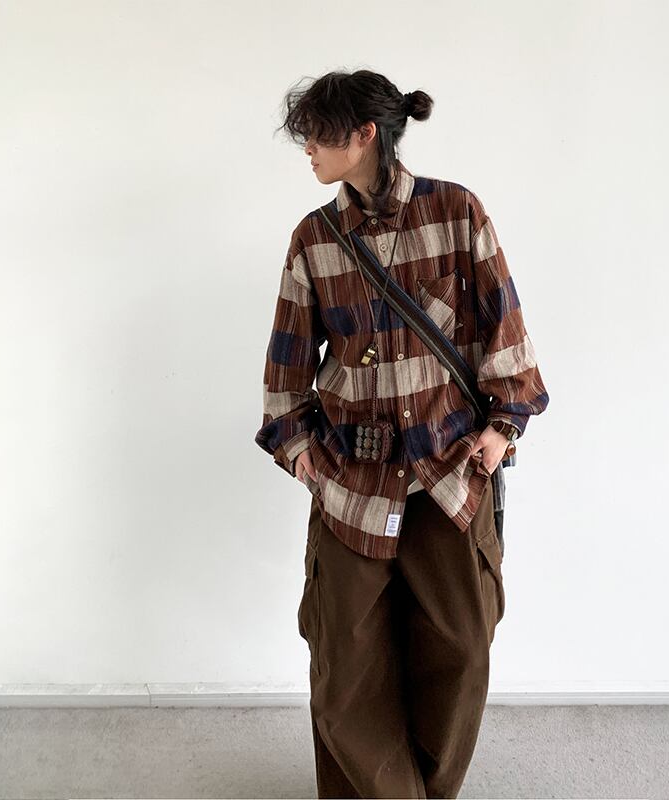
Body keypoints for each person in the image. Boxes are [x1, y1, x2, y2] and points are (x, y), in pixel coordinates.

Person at [255, 69, 549, 799]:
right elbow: (286, 373)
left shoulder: (456, 211)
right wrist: (305, 458)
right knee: (344, 670)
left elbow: (505, 328)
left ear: (365, 135)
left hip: (449, 474)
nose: (307, 149)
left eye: (318, 134)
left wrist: (502, 427)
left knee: (461, 653)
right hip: (350, 486)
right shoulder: (313, 240)